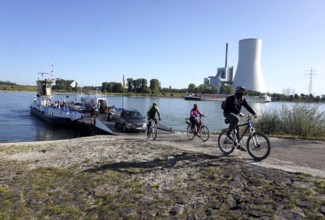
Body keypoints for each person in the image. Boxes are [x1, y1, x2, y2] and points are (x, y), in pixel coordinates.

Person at [223, 86, 257, 150]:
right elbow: (234, 106)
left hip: (235, 114)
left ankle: (239, 145)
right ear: (238, 91)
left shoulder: (242, 99)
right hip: (227, 113)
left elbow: (248, 107)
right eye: (241, 91)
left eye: (243, 91)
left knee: (238, 130)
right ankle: (228, 133)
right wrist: (239, 113)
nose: (243, 92)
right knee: (236, 119)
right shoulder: (233, 97)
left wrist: (254, 113)